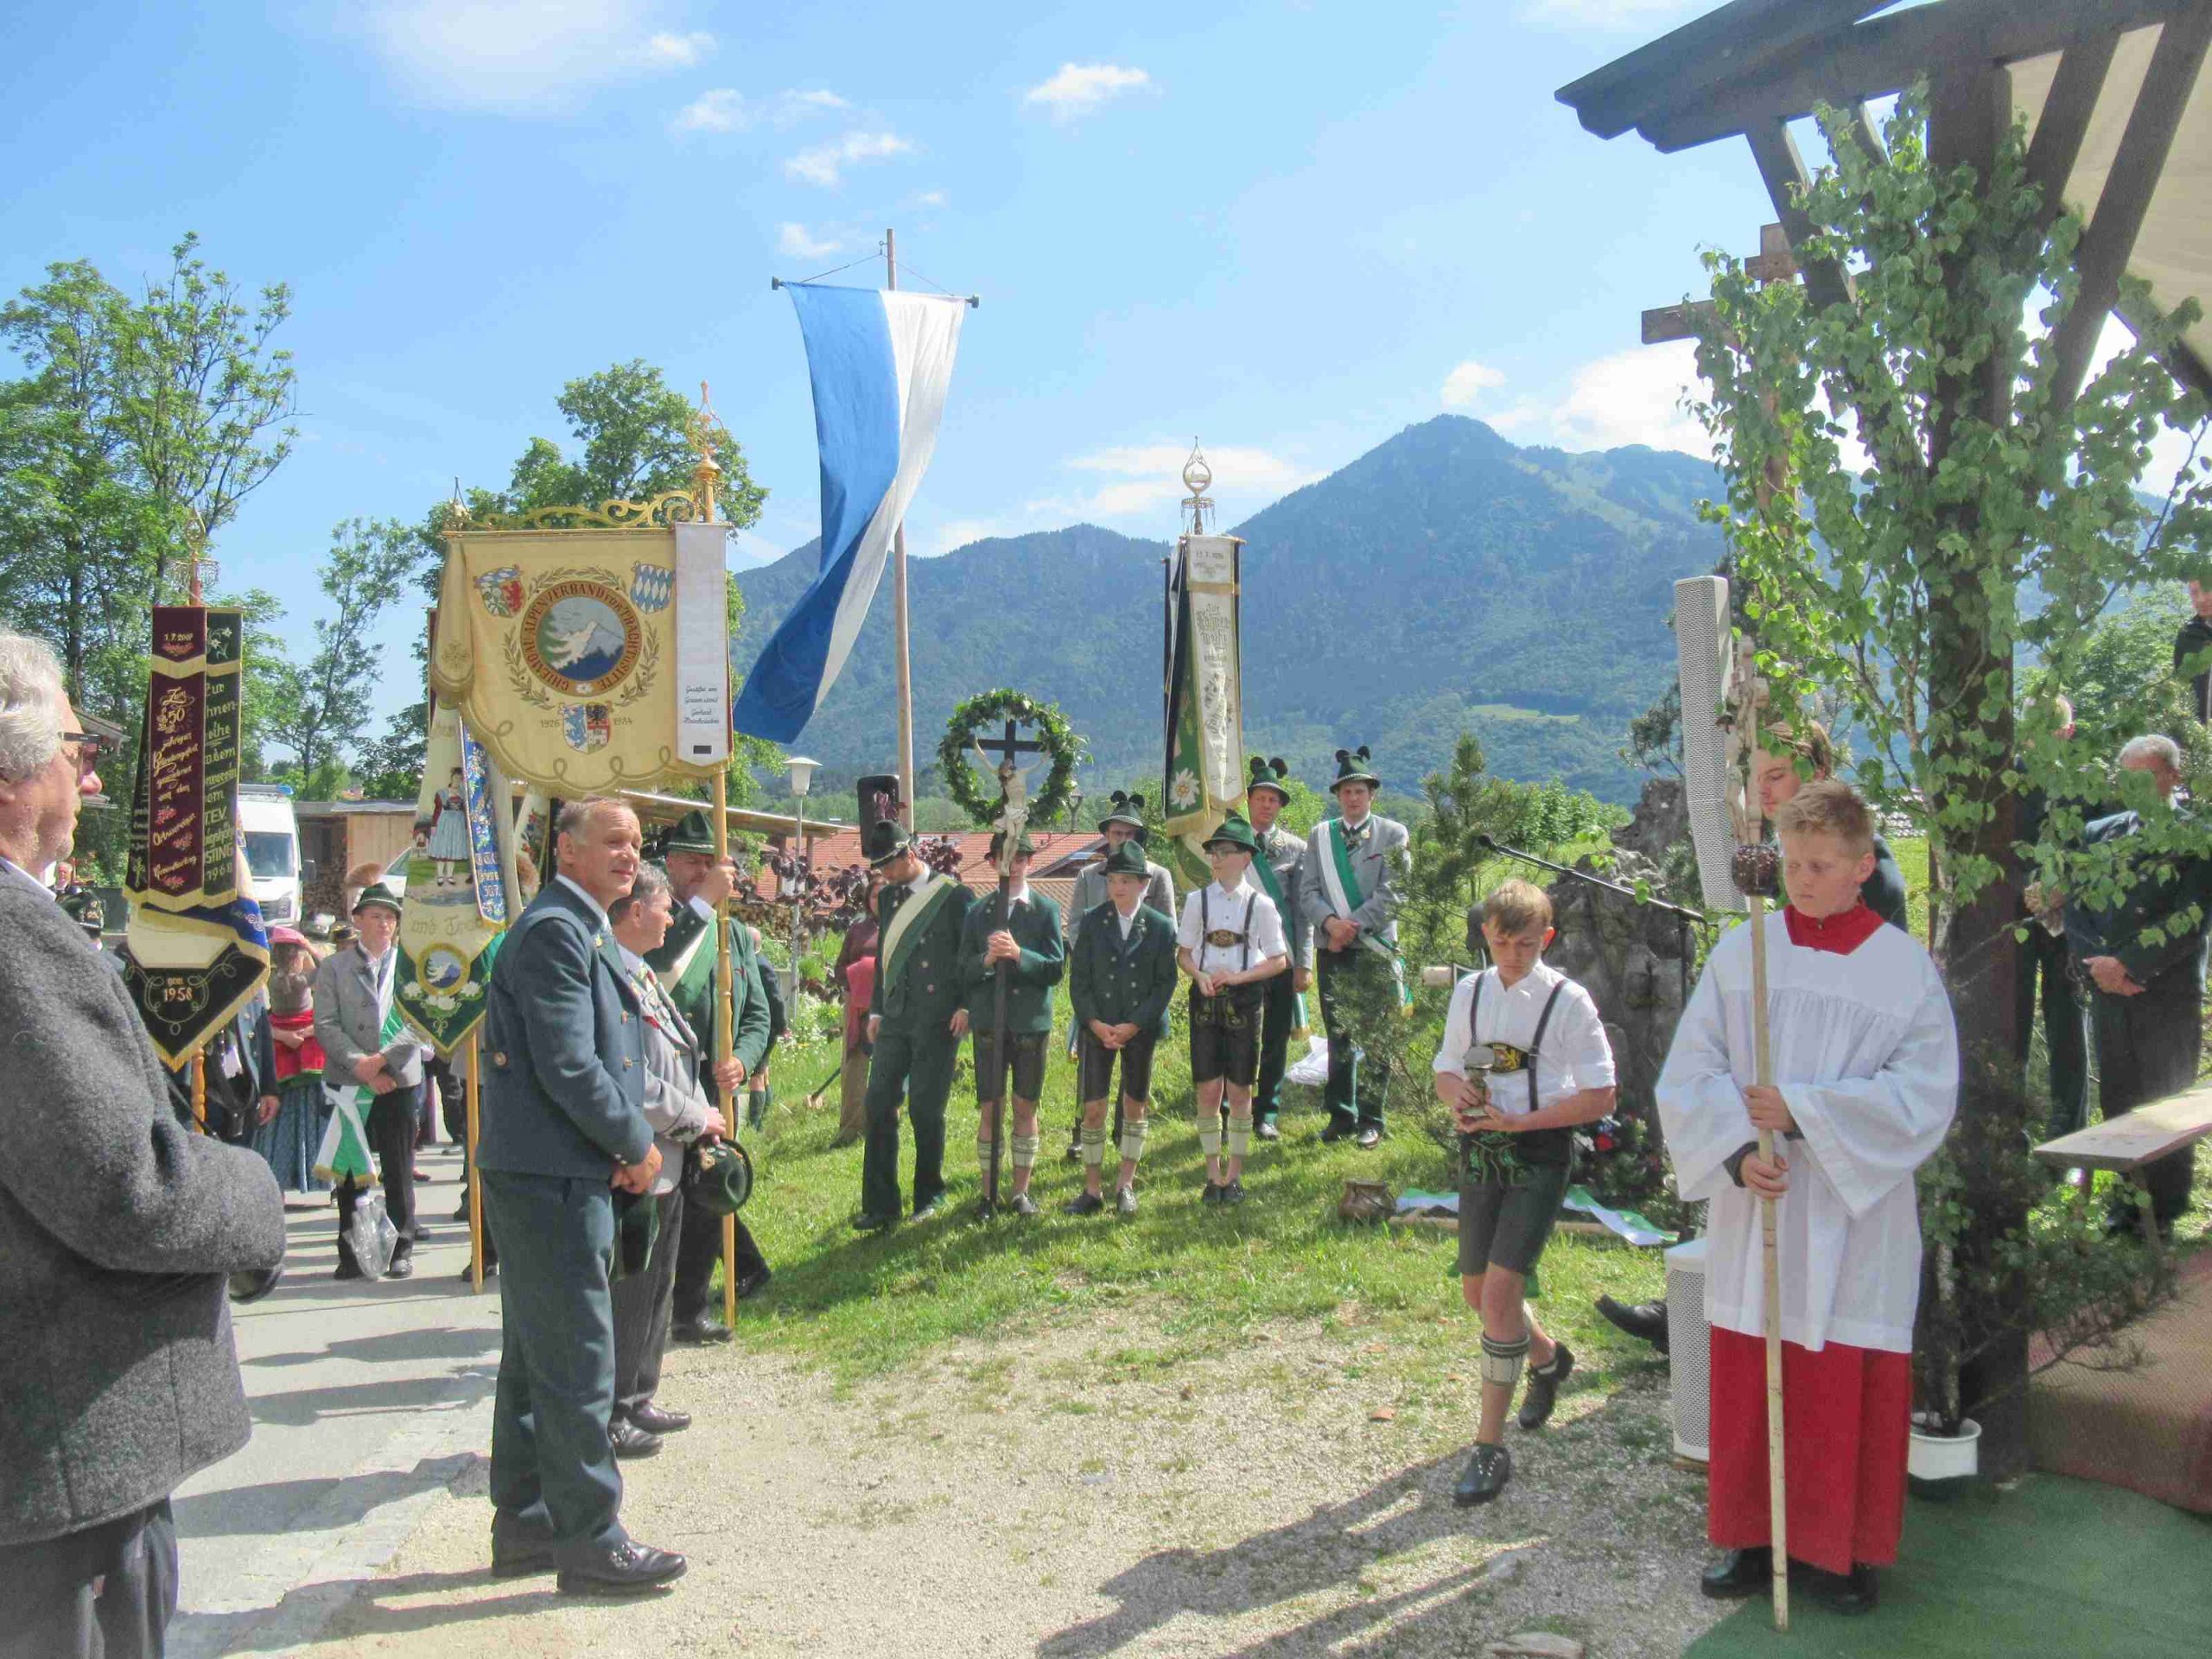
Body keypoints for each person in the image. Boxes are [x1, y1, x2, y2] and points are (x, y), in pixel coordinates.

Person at [0, 628, 285, 1658]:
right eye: (76, 748)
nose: (90, 775)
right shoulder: (13, 933)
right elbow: (126, 1186)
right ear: (9, 775)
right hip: (60, 1463)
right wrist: (258, 1200)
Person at [1657, 779, 1958, 1616]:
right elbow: (1692, 1070)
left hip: (1854, 1212)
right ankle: (1750, 1537)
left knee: (1840, 1379)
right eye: (1791, 864)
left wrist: (1805, 1112)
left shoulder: (1902, 970)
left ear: (1863, 867)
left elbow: (1924, 1094)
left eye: (1821, 866)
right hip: (1760, 1198)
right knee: (1751, 1371)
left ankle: (1840, 1551)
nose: (1802, 880)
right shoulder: (1743, 954)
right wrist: (1733, 1153)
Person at [1599, 716, 1910, 1353]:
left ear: (1817, 774)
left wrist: (1799, 1105)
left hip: (1825, 1126)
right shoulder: (1781, 864)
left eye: (1776, 775)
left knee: (1816, 1301)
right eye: (1754, 778)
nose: (1761, 792)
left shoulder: (1862, 876)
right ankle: (1686, 1314)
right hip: (1763, 1106)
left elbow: (1846, 1007)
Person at [476, 796, 687, 1595]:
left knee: (536, 1359)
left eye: (635, 843)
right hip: (552, 1175)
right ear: (566, 851)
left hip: (552, 1169)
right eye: (613, 842)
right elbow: (569, 1063)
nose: (630, 855)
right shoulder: (557, 931)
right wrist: (634, 1143)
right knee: (578, 1361)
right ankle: (593, 1541)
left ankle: (529, 1525)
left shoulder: (578, 926)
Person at [1434, 880, 1618, 1507]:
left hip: (1539, 1151)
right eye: (1501, 942)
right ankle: (1547, 1358)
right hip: (1481, 1148)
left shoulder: (1569, 1001)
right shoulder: (1470, 991)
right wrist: (1458, 1097)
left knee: (1500, 1295)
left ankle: (1489, 1446)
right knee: (1477, 1293)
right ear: (1485, 935)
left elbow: (1601, 1095)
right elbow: (1446, 1067)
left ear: (1547, 939)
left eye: (1526, 945)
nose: (1512, 956)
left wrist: (1523, 1123)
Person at [2067, 734, 2212, 1235]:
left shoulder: (2197, 838)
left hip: (2165, 991)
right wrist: (2099, 967)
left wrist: (2131, 966)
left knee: (2164, 1101)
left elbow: (2192, 919)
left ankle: (2164, 1212)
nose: (2132, 789)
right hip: (2109, 990)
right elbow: (2077, 908)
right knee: (2120, 1098)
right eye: (2125, 779)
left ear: (2172, 776)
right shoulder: (2098, 834)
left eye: (2144, 777)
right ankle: (2126, 1204)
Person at [607, 862, 728, 1459]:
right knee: (631, 1290)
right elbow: (634, 1080)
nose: (669, 918)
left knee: (658, 1284)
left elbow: (679, 1055)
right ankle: (614, 1409)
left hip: (672, 1156)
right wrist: (694, 1118)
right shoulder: (613, 980)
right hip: (642, 1155)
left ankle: (639, 1394)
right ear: (636, 911)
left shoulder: (640, 972)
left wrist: (702, 1116)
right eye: (663, 908)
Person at [649, 810, 773, 1343]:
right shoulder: (651, 918)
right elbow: (658, 961)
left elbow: (759, 1012)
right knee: (661, 1196)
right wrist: (703, 903)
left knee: (707, 1192)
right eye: (691, 861)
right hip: (663, 1075)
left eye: (709, 862)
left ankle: (690, 1310)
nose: (702, 871)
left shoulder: (734, 934)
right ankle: (647, 1306)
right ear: (671, 864)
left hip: (714, 1078)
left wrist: (743, 1058)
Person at [857, 821, 975, 1230]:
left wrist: (966, 1005)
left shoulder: (954, 895)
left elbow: (970, 954)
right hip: (896, 1016)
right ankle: (880, 1204)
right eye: (881, 868)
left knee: (925, 1109)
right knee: (877, 1103)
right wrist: (877, 1010)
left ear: (910, 855)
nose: (886, 875)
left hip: (938, 1017)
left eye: (890, 866)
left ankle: (929, 1193)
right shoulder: (890, 897)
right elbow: (886, 957)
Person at [313, 883, 430, 1279]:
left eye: (391, 918)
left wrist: (382, 1064)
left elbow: (419, 1022)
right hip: (349, 1079)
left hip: (398, 1080)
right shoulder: (334, 967)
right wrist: (361, 1065)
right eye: (376, 916)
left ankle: (401, 1249)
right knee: (349, 1169)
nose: (384, 924)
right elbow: (325, 1024)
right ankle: (351, 1254)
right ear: (358, 920)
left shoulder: (411, 967)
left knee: (399, 1167)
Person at [1179, 813, 1290, 1204]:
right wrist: (1198, 975)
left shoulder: (1262, 905)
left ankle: (1235, 1175)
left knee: (1241, 1089)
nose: (1216, 858)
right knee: (1209, 1089)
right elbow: (1184, 954)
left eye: (1224, 852)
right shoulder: (1197, 901)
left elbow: (1278, 961)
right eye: (1214, 852)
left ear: (1245, 857)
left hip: (1245, 1000)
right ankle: (1213, 1175)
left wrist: (1240, 977)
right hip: (1205, 999)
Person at [1300, 746, 1408, 1148]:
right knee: (1338, 1032)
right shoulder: (1320, 836)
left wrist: (1354, 925)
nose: (1352, 798)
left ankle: (1372, 1118)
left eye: (1359, 791)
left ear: (1371, 795)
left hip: (1374, 947)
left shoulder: (1393, 834)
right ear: (1338, 796)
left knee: (1377, 1033)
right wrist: (1331, 924)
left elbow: (1395, 892)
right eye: (1346, 791)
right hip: (1333, 947)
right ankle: (1341, 1115)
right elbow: (1308, 891)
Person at [1065, 841, 1179, 1217]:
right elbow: (1079, 981)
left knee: (1135, 1105)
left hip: (1139, 1029)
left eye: (1127, 880)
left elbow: (1165, 983)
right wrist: (1095, 1023)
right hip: (1098, 1028)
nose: (1119, 887)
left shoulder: (1160, 927)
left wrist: (1135, 1024)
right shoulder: (1093, 921)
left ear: (1143, 884)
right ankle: (1092, 1189)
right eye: (1113, 879)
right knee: (1093, 1109)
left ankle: (1125, 1185)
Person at [961, 830, 1066, 1217]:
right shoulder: (978, 912)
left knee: (1025, 1105)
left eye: (1020, 859)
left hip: (1029, 1023)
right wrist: (987, 961)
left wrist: (1020, 954)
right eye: (1005, 860)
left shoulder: (1045, 910)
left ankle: (1020, 1192)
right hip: (990, 1022)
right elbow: (962, 970)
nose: (1013, 866)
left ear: (1030, 862)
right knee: (991, 1108)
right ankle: (987, 1194)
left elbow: (1055, 969)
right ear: (992, 863)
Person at [2015, 695, 2091, 1142]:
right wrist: (2026, 889)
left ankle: (2069, 1131)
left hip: (2071, 924)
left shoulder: (2086, 785)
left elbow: (2101, 852)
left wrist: (2066, 887)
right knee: (2012, 1022)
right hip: (2015, 921)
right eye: (2032, 731)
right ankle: (2010, 1127)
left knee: (2068, 1024)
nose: (2039, 741)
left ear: (2068, 732)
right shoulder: (2006, 783)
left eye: (2050, 731)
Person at [1243, 757, 1313, 1141]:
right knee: (1239, 1037)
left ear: (1280, 806)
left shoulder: (1297, 849)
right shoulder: (1232, 842)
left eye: (1274, 800)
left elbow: (1303, 911)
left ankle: (1266, 1112)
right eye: (1261, 798)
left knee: (1274, 1038)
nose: (1267, 805)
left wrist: (1304, 962)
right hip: (1240, 958)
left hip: (1281, 957)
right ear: (1249, 800)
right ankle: (1234, 1107)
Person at [832, 871, 884, 1147]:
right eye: (875, 896)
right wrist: (859, 976)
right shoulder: (857, 930)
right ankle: (850, 1129)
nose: (880, 901)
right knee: (854, 1066)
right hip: (857, 1006)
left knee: (888, 1066)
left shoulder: (901, 929)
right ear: (868, 900)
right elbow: (840, 967)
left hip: (889, 1006)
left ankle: (883, 1127)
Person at [2175, 576, 2212, 722]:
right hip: (2201, 727)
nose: (2201, 599)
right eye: (2194, 592)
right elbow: (2182, 684)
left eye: (2207, 590)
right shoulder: (2189, 634)